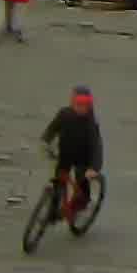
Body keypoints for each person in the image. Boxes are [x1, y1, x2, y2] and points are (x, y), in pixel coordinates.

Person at [42, 85, 103, 217]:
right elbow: (52, 128)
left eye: (85, 105)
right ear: (72, 103)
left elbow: (96, 146)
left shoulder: (91, 123)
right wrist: (46, 140)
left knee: (81, 177)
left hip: (83, 157)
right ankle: (53, 209)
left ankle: (83, 201)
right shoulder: (64, 114)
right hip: (65, 153)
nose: (81, 108)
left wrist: (94, 167)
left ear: (89, 105)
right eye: (78, 104)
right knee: (59, 179)